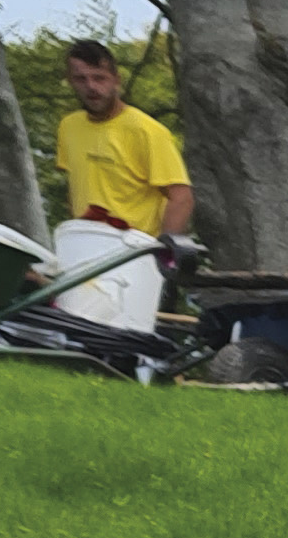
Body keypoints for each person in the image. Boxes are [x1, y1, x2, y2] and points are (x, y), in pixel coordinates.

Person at [49, 38, 192, 332]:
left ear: (116, 80)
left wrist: (162, 254)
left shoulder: (147, 131)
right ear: (70, 82)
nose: (91, 87)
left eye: (99, 78)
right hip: (84, 243)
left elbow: (181, 197)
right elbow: (76, 185)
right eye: (81, 79)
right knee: (78, 326)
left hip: (132, 248)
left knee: (126, 331)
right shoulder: (70, 127)